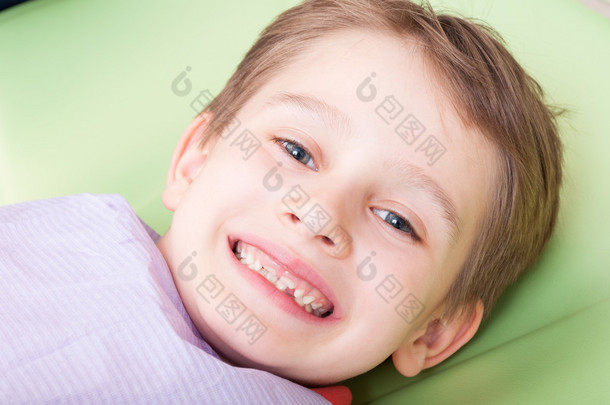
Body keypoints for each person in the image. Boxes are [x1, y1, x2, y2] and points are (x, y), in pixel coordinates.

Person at [0, 0, 562, 403]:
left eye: (397, 220)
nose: (320, 214)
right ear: (195, 158)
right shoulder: (51, 242)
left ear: (432, 331)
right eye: (296, 150)